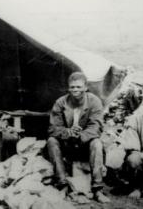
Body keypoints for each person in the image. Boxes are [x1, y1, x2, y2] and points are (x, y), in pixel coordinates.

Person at [46, 72, 110, 203]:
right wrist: (68, 132)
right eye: (72, 87)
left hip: (85, 145)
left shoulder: (94, 101)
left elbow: (96, 127)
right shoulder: (60, 102)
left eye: (79, 87)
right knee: (51, 141)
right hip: (67, 144)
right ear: (68, 88)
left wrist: (80, 135)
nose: (75, 90)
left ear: (86, 87)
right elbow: (53, 129)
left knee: (97, 143)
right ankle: (62, 185)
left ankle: (97, 189)